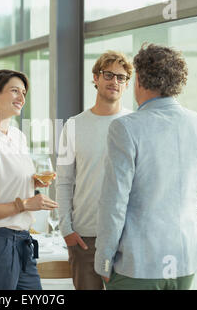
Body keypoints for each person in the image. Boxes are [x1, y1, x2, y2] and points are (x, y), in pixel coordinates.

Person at [94, 43, 197, 290]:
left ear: (139, 81)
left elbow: (114, 202)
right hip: (186, 257)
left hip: (139, 261)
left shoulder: (125, 128)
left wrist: (103, 260)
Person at [0, 69, 58, 290]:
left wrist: (31, 182)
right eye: (14, 91)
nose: (22, 98)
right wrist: (26, 204)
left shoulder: (18, 137)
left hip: (23, 242)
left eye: (24, 92)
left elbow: (6, 181)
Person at [56, 51, 133, 290]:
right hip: (85, 237)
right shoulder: (73, 125)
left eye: (121, 77)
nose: (114, 82)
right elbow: (64, 181)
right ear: (96, 78)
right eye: (108, 74)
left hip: (127, 236)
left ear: (127, 84)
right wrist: (66, 229)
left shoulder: (135, 124)